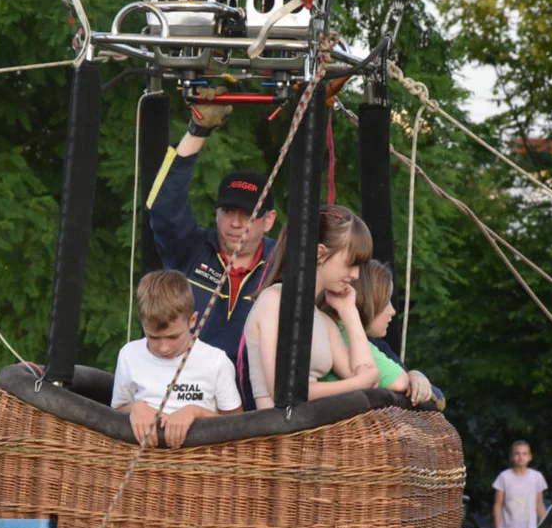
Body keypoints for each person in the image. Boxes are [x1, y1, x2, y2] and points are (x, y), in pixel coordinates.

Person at [145, 87, 277, 408]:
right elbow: (163, 206)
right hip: (186, 402)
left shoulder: (283, 264)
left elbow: (336, 310)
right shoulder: (191, 250)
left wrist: (400, 370)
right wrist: (198, 130)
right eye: (227, 212)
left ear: (268, 220)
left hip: (255, 412)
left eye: (247, 215)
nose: (234, 223)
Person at [244, 205, 380, 409]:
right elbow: (282, 390)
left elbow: (370, 382)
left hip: (311, 434)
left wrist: (349, 312)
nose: (355, 275)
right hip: (278, 433)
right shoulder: (274, 300)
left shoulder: (324, 321)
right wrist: (354, 385)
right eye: (351, 263)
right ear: (320, 253)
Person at [112, 270, 243, 447]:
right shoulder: (129, 355)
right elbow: (117, 409)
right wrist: (135, 408)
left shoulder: (216, 361)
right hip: (144, 462)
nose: (164, 347)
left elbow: (238, 426)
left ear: (193, 320)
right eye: (153, 337)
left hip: (200, 462)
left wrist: (195, 412)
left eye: (173, 337)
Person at [319, 259, 410, 393]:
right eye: (386, 301)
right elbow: (398, 382)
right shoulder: (344, 333)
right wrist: (411, 378)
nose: (392, 311)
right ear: (367, 300)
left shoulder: (329, 326)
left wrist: (413, 375)